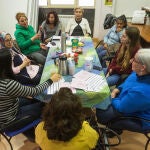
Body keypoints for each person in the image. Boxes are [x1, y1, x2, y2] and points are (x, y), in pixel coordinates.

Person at [0, 47, 61, 127]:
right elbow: (35, 91)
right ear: (6, 65)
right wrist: (51, 80)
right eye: (12, 60)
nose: (13, 62)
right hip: (9, 120)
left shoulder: (5, 80)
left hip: (9, 108)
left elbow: (5, 94)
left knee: (35, 99)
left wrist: (21, 92)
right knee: (46, 107)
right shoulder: (9, 84)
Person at [96, 49, 150, 133]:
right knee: (100, 96)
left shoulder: (142, 92)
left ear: (143, 67)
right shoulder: (140, 73)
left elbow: (121, 107)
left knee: (101, 111)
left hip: (138, 118)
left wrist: (112, 98)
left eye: (134, 60)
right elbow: (129, 81)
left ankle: (112, 127)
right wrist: (118, 89)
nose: (131, 61)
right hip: (127, 101)